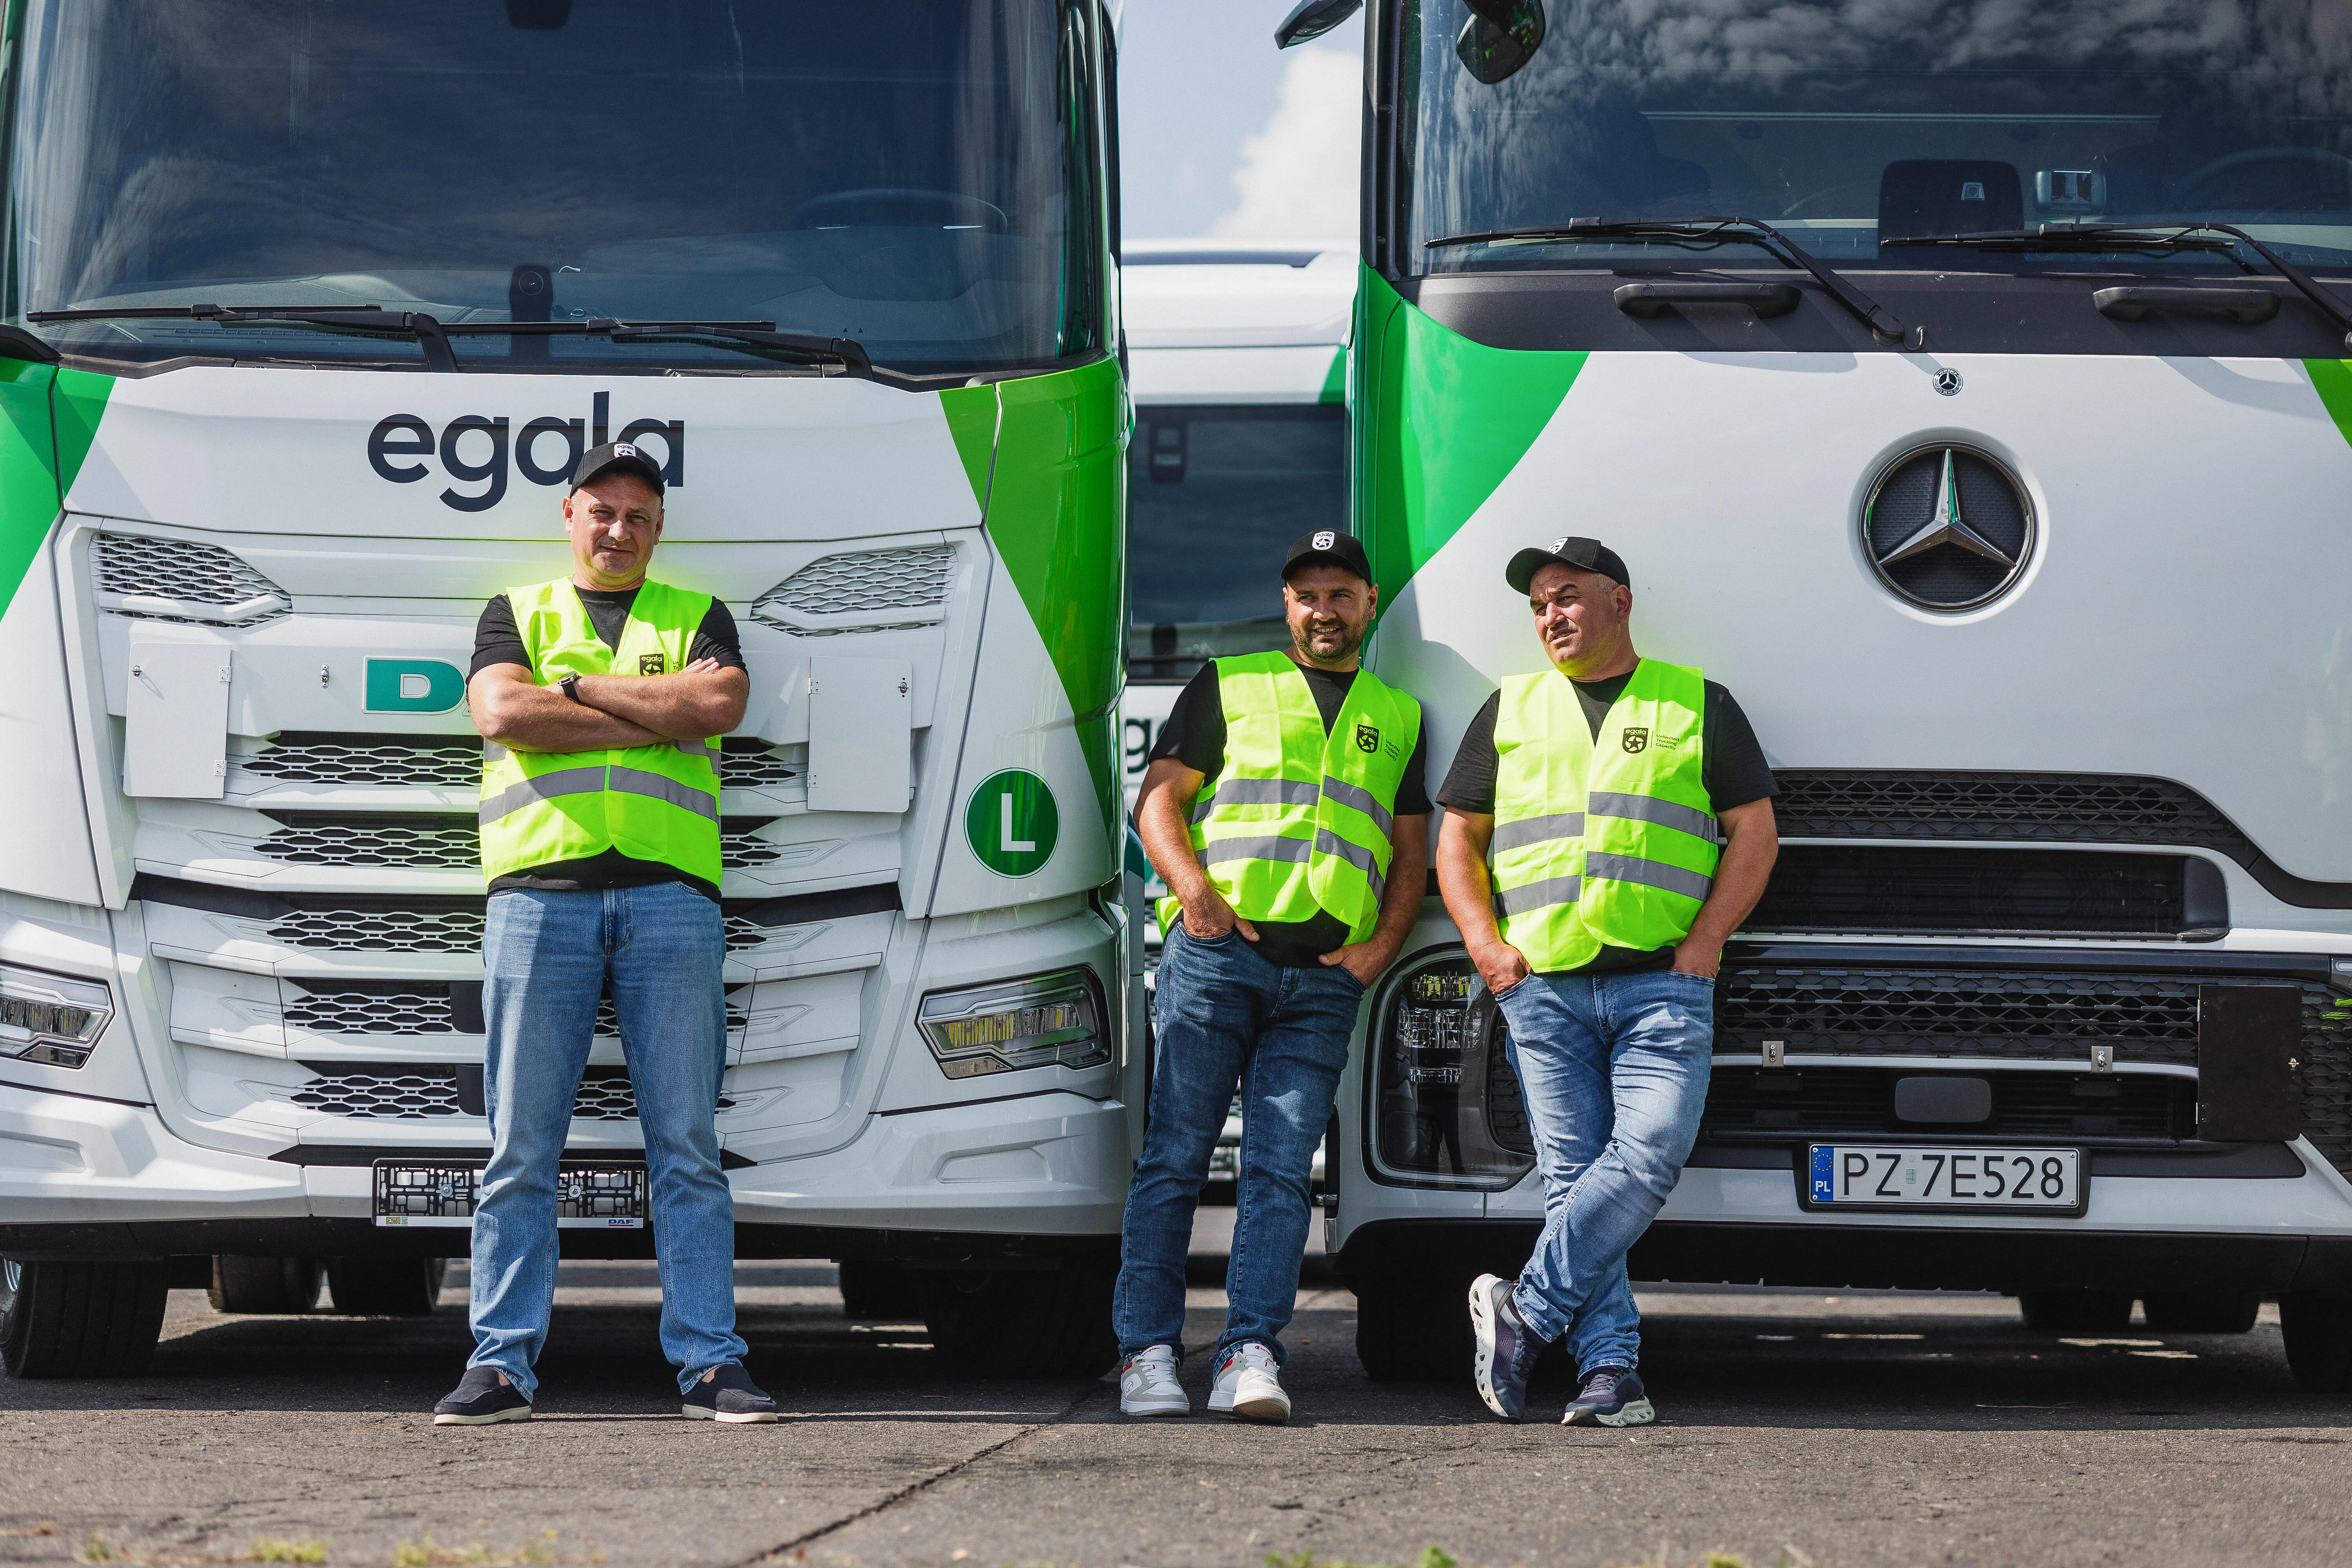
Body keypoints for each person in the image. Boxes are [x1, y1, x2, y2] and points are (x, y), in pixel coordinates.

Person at [432, 441, 778, 1426]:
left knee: (687, 1144)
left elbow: (718, 704)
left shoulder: (698, 614)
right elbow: (502, 710)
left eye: (636, 515)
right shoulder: (515, 610)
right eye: (601, 511)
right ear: (570, 517)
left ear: (657, 528)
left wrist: (575, 692)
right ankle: (499, 1364)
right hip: (540, 896)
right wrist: (649, 712)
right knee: (520, 1147)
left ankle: (713, 1363)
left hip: (672, 897)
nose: (618, 529)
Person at [1437, 536, 1778, 1428]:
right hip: (1542, 987)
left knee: (1651, 1150)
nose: (1551, 616)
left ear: (1619, 601)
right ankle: (1611, 1374)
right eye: (1539, 605)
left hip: (1662, 983)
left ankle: (1528, 1312)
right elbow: (1457, 840)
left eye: (1566, 597)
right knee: (1574, 1180)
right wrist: (1487, 947)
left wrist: (1706, 941)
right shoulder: (1508, 707)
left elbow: (1755, 832)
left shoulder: (1697, 701)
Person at [1114, 530, 1432, 1424]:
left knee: (1280, 1172)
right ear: (1287, 604)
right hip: (1219, 962)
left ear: (1369, 601)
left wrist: (1380, 946)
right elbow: (1159, 800)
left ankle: (1250, 1351)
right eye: (1307, 595)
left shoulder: (1398, 714)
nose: (1323, 609)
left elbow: (1410, 851)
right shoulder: (1230, 681)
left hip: (1326, 980)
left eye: (1340, 593)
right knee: (1174, 1161)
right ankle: (1147, 1354)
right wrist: (1197, 899)